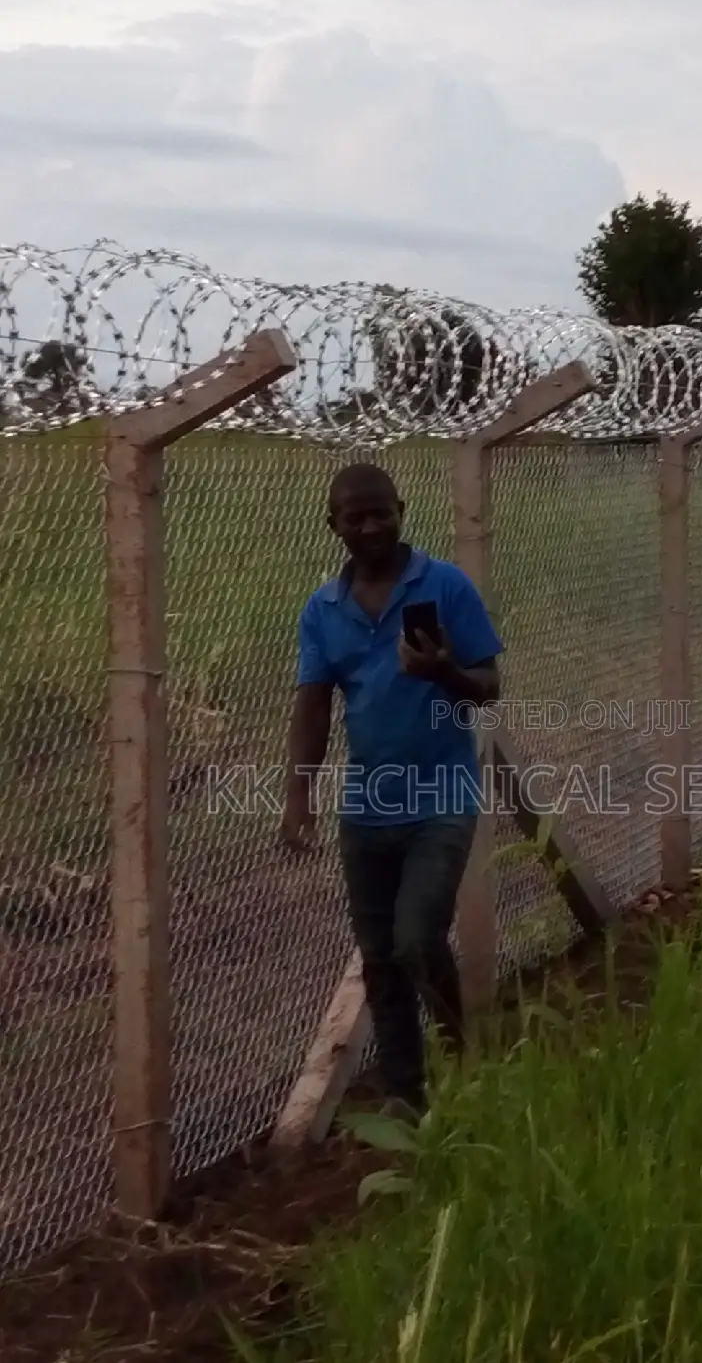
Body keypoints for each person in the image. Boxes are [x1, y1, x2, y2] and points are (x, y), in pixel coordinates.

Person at [280, 463, 503, 1122]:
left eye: (382, 512)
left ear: (401, 510)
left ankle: (463, 1055)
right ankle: (408, 1096)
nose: (371, 525)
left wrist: (442, 671)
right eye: (356, 517)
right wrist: (299, 796)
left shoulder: (444, 585)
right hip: (367, 809)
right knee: (379, 961)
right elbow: (314, 708)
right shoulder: (322, 611)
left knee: (414, 939)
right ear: (334, 526)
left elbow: (489, 685)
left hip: (443, 797)